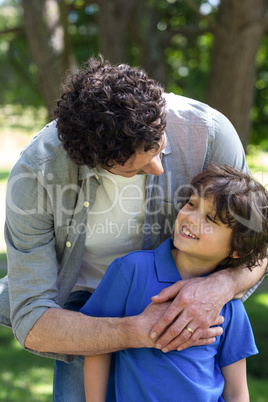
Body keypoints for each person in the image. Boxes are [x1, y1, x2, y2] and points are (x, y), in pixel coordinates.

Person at [0, 57, 266, 402]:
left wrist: (221, 286)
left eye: (159, 146)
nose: (157, 168)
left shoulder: (210, 133)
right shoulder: (36, 173)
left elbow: (254, 242)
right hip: (82, 308)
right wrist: (139, 330)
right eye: (134, 169)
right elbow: (32, 319)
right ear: (94, 161)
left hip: (178, 286)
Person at [81, 164, 268, 402]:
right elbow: (99, 347)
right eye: (192, 204)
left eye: (210, 219)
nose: (191, 218)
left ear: (237, 250)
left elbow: (237, 390)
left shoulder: (228, 305)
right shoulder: (131, 271)